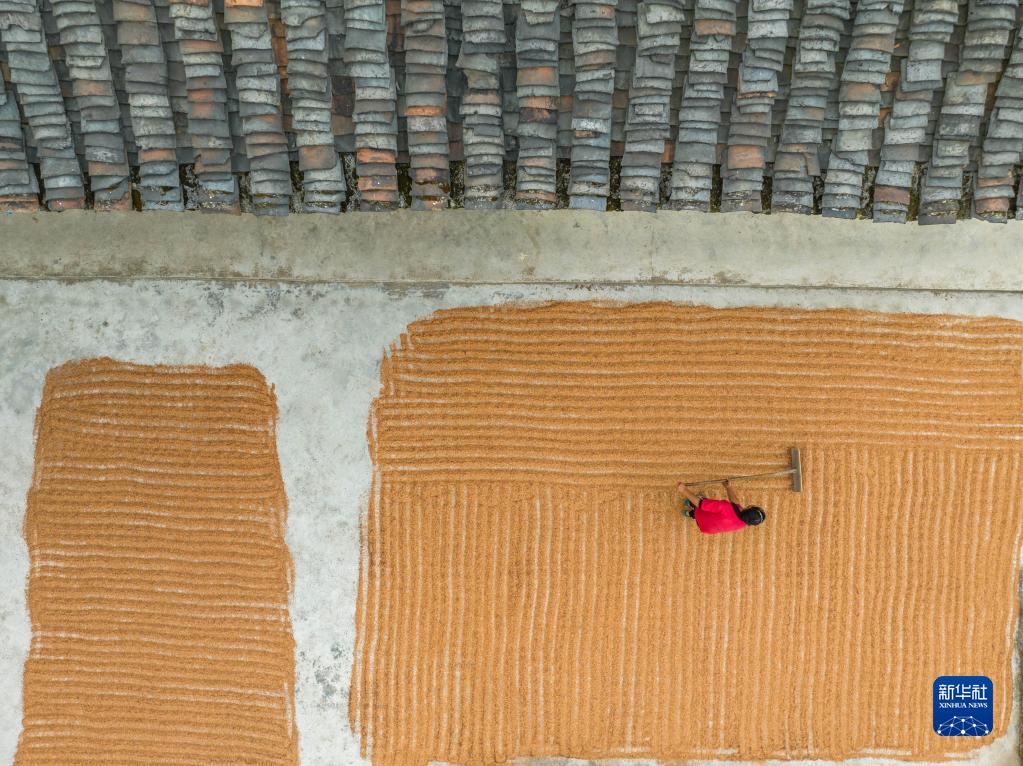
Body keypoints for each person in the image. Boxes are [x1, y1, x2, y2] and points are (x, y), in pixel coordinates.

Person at [677, 479, 765, 534]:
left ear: (749, 508)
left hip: (701, 512)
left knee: (700, 498)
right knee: (699, 515)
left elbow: (700, 504)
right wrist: (728, 488)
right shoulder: (744, 522)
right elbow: (736, 504)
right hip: (704, 527)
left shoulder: (725, 507)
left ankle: (689, 503)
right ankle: (689, 513)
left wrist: (684, 490)